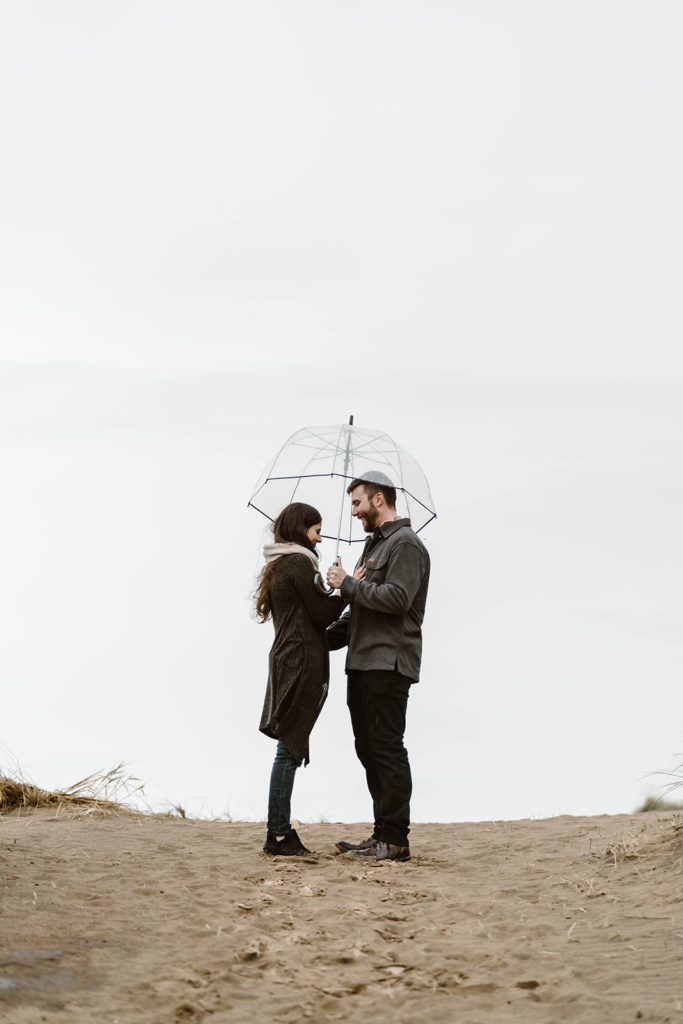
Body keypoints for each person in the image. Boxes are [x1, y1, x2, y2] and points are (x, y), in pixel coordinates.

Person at [326, 473, 430, 862]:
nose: (354, 512)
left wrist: (350, 584)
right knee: (367, 749)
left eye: (357, 503)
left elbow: (398, 598)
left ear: (379, 499)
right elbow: (358, 613)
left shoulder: (406, 544)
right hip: (362, 663)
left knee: (386, 748)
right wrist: (315, 639)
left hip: (389, 662)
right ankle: (381, 834)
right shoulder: (371, 549)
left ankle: (396, 840)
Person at [255, 502, 345, 856]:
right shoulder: (297, 562)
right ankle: (278, 836)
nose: (319, 539)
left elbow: (310, 616)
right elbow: (321, 615)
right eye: (316, 531)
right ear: (300, 529)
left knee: (288, 748)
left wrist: (330, 587)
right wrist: (343, 590)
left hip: (289, 659)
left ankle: (278, 833)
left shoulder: (284, 562)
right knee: (288, 749)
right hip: (299, 663)